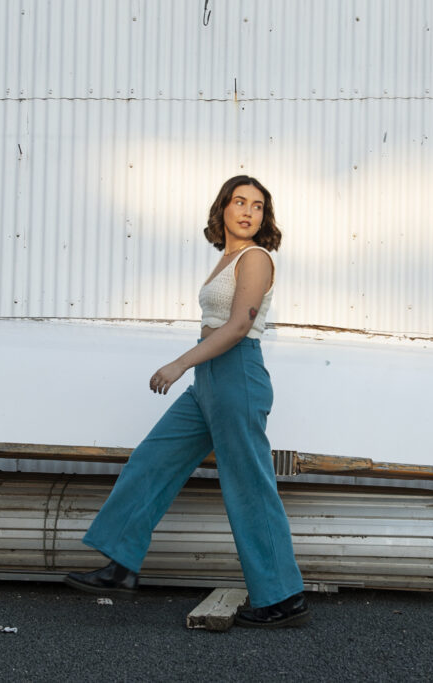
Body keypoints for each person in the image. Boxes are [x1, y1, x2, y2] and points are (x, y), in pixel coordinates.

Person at [65, 175, 310, 628]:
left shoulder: (256, 258)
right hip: (210, 378)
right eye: (239, 202)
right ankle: (121, 563)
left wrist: (178, 364)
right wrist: (195, 369)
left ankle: (283, 596)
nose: (248, 211)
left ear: (264, 217)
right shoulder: (227, 258)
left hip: (238, 374)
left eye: (257, 206)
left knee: (248, 485)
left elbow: (238, 327)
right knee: (153, 459)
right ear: (222, 209)